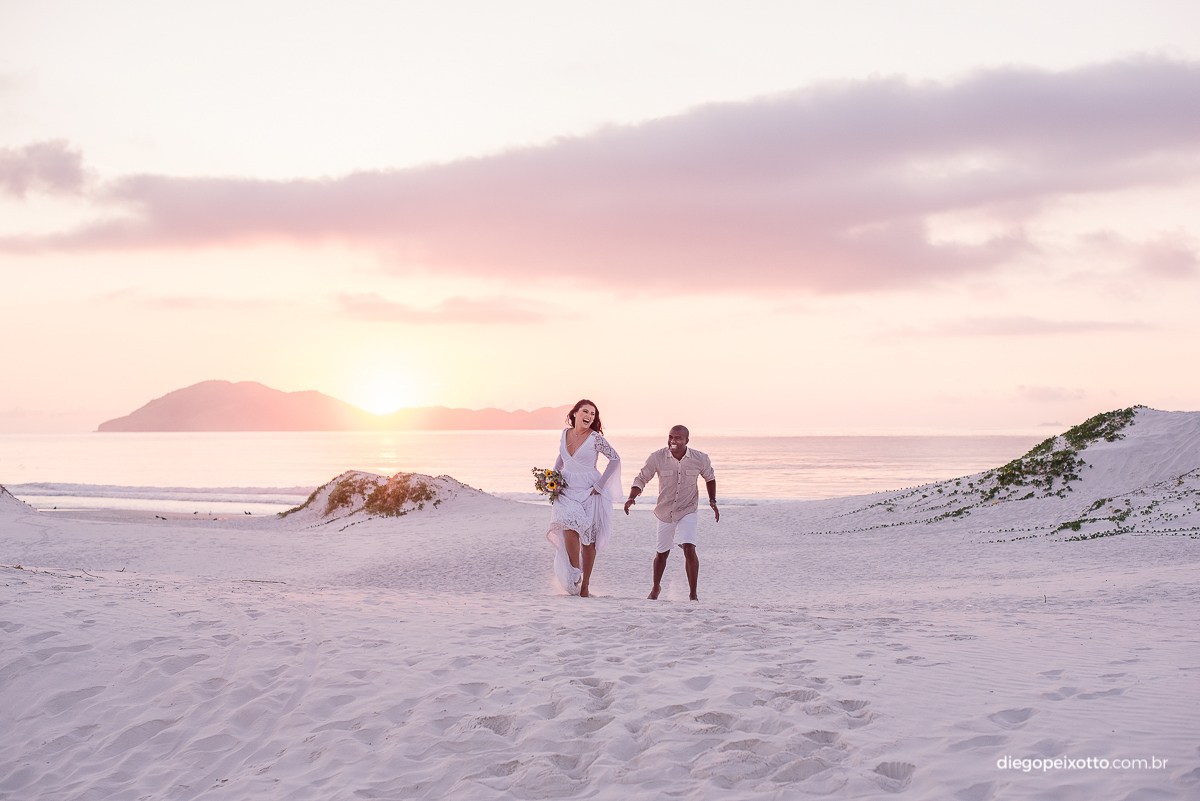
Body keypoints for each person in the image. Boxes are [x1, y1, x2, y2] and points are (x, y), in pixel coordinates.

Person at [624, 425, 718, 600]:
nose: (673, 441)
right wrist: (631, 497)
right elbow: (642, 477)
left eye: (678, 438)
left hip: (688, 509)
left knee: (689, 548)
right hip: (665, 511)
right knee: (662, 553)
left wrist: (713, 500)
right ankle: (655, 588)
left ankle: (693, 595)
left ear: (687, 441)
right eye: (670, 437)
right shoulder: (657, 457)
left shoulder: (700, 458)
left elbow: (710, 478)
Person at [546, 399, 621, 597]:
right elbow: (562, 458)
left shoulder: (595, 438)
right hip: (566, 487)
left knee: (589, 541)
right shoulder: (565, 433)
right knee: (569, 527)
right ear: (575, 414)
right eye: (585, 411)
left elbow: (615, 459)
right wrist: (552, 477)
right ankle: (575, 572)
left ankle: (585, 584)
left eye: (593, 414)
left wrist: (600, 485)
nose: (589, 416)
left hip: (590, 490)